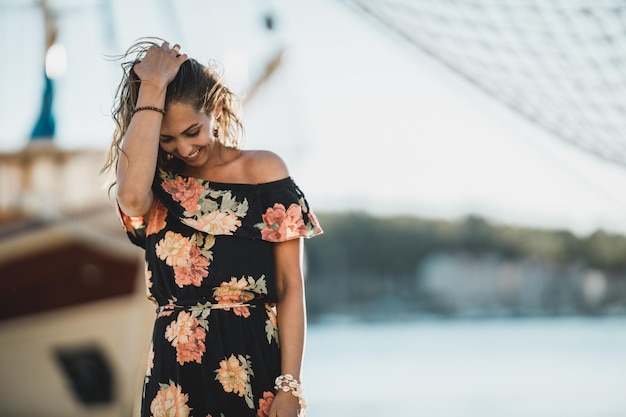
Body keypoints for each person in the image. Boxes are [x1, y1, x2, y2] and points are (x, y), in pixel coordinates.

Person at [101, 38, 322, 417]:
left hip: (253, 365)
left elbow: (289, 287)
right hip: (174, 377)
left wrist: (291, 386)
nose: (184, 149)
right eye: (166, 138)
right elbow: (131, 198)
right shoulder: (154, 185)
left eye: (192, 131)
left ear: (215, 110)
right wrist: (151, 88)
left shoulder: (263, 173)